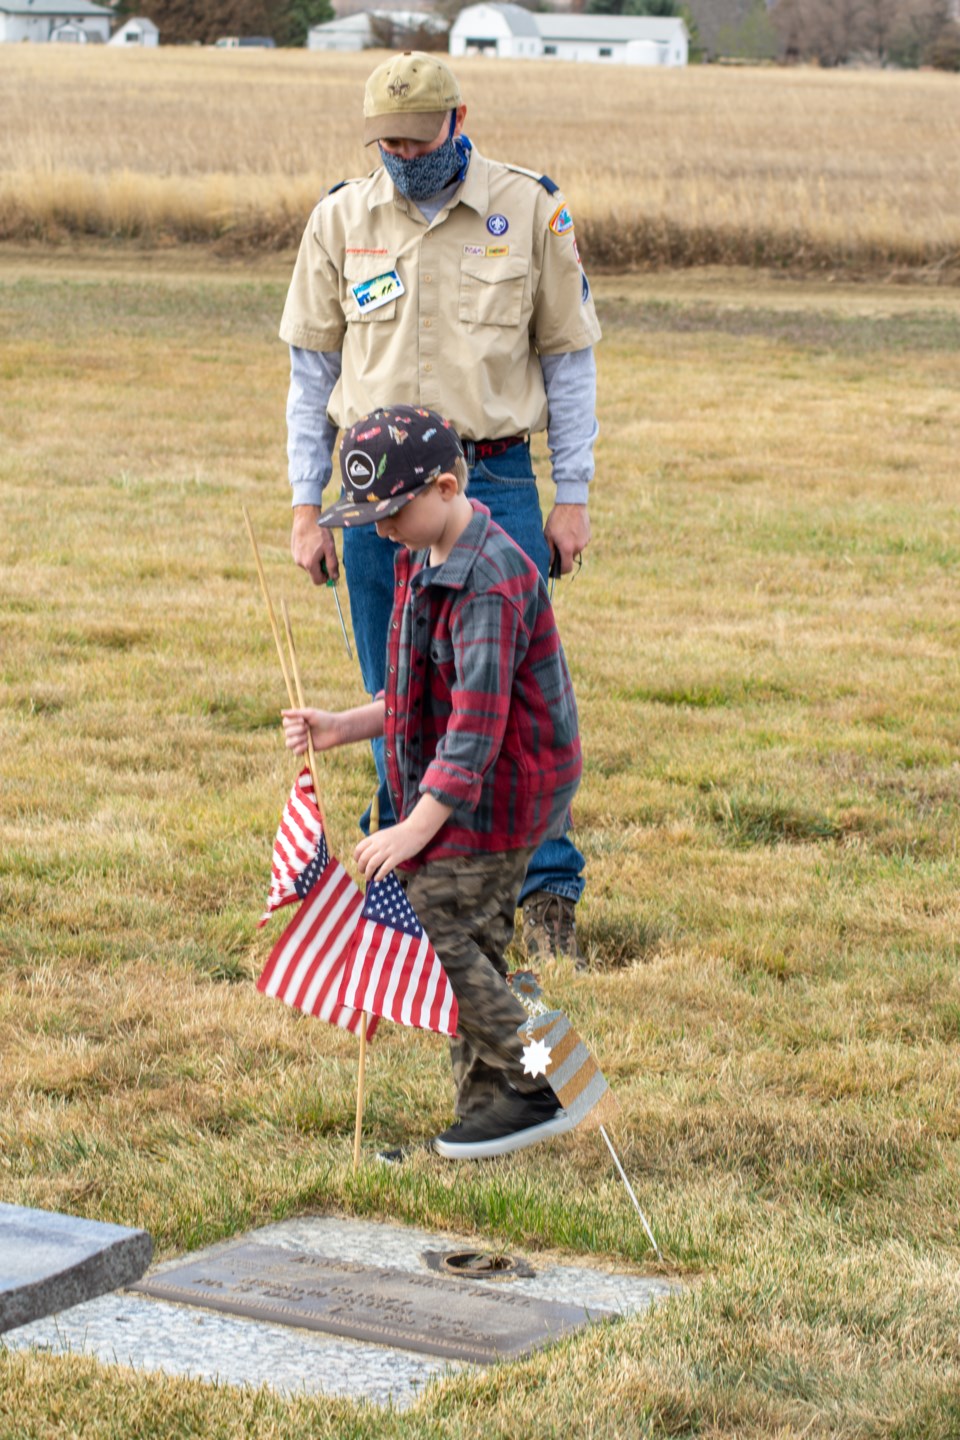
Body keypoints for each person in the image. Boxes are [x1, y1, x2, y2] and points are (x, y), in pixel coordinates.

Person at [280, 50, 601, 967]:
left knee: (508, 695)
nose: (401, 155)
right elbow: (311, 378)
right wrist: (310, 507)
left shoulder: (530, 209)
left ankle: (544, 894)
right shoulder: (341, 218)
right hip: (372, 493)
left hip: (488, 478)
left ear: (460, 121)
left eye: (417, 140)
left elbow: (569, 362)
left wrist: (570, 497)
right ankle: (407, 889)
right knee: (402, 688)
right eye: (384, 141)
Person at [282, 406, 582, 1160]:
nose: (380, 531)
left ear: (446, 487)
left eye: (391, 512)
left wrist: (412, 830)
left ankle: (542, 1078)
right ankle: (492, 1115)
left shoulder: (488, 580)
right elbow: (416, 693)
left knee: (431, 916)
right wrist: (341, 725)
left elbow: (476, 736)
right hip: (466, 779)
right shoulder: (425, 555)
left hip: (506, 790)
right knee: (471, 930)